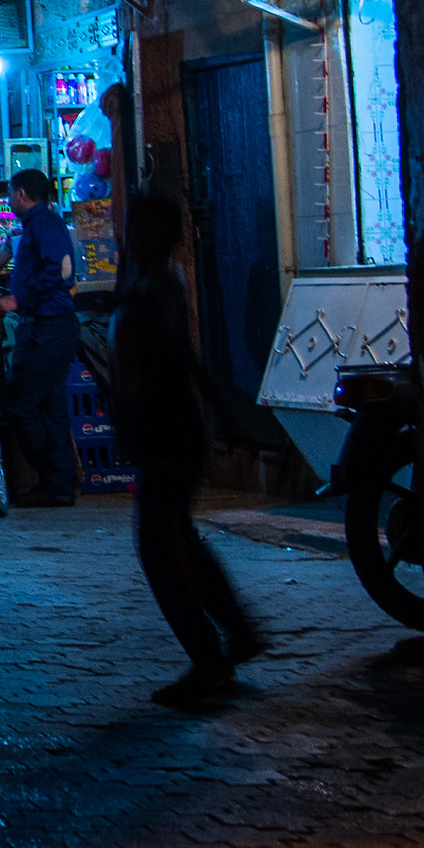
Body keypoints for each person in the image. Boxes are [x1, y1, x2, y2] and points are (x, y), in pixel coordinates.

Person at [112, 193, 261, 706]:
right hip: (173, 432)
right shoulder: (163, 285)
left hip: (163, 436)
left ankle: (209, 660)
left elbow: (157, 367)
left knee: (164, 553)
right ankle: (236, 633)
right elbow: (188, 359)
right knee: (179, 543)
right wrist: (224, 417)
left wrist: (133, 427)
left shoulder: (146, 292)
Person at [0, 168, 82, 507]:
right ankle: (59, 484)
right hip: (46, 324)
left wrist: (19, 299)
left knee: (22, 403)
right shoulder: (37, 224)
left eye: (11, 194)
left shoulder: (44, 223)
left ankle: (53, 478)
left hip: (48, 327)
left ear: (21, 194)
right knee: (50, 406)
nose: (10, 200)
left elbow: (59, 270)